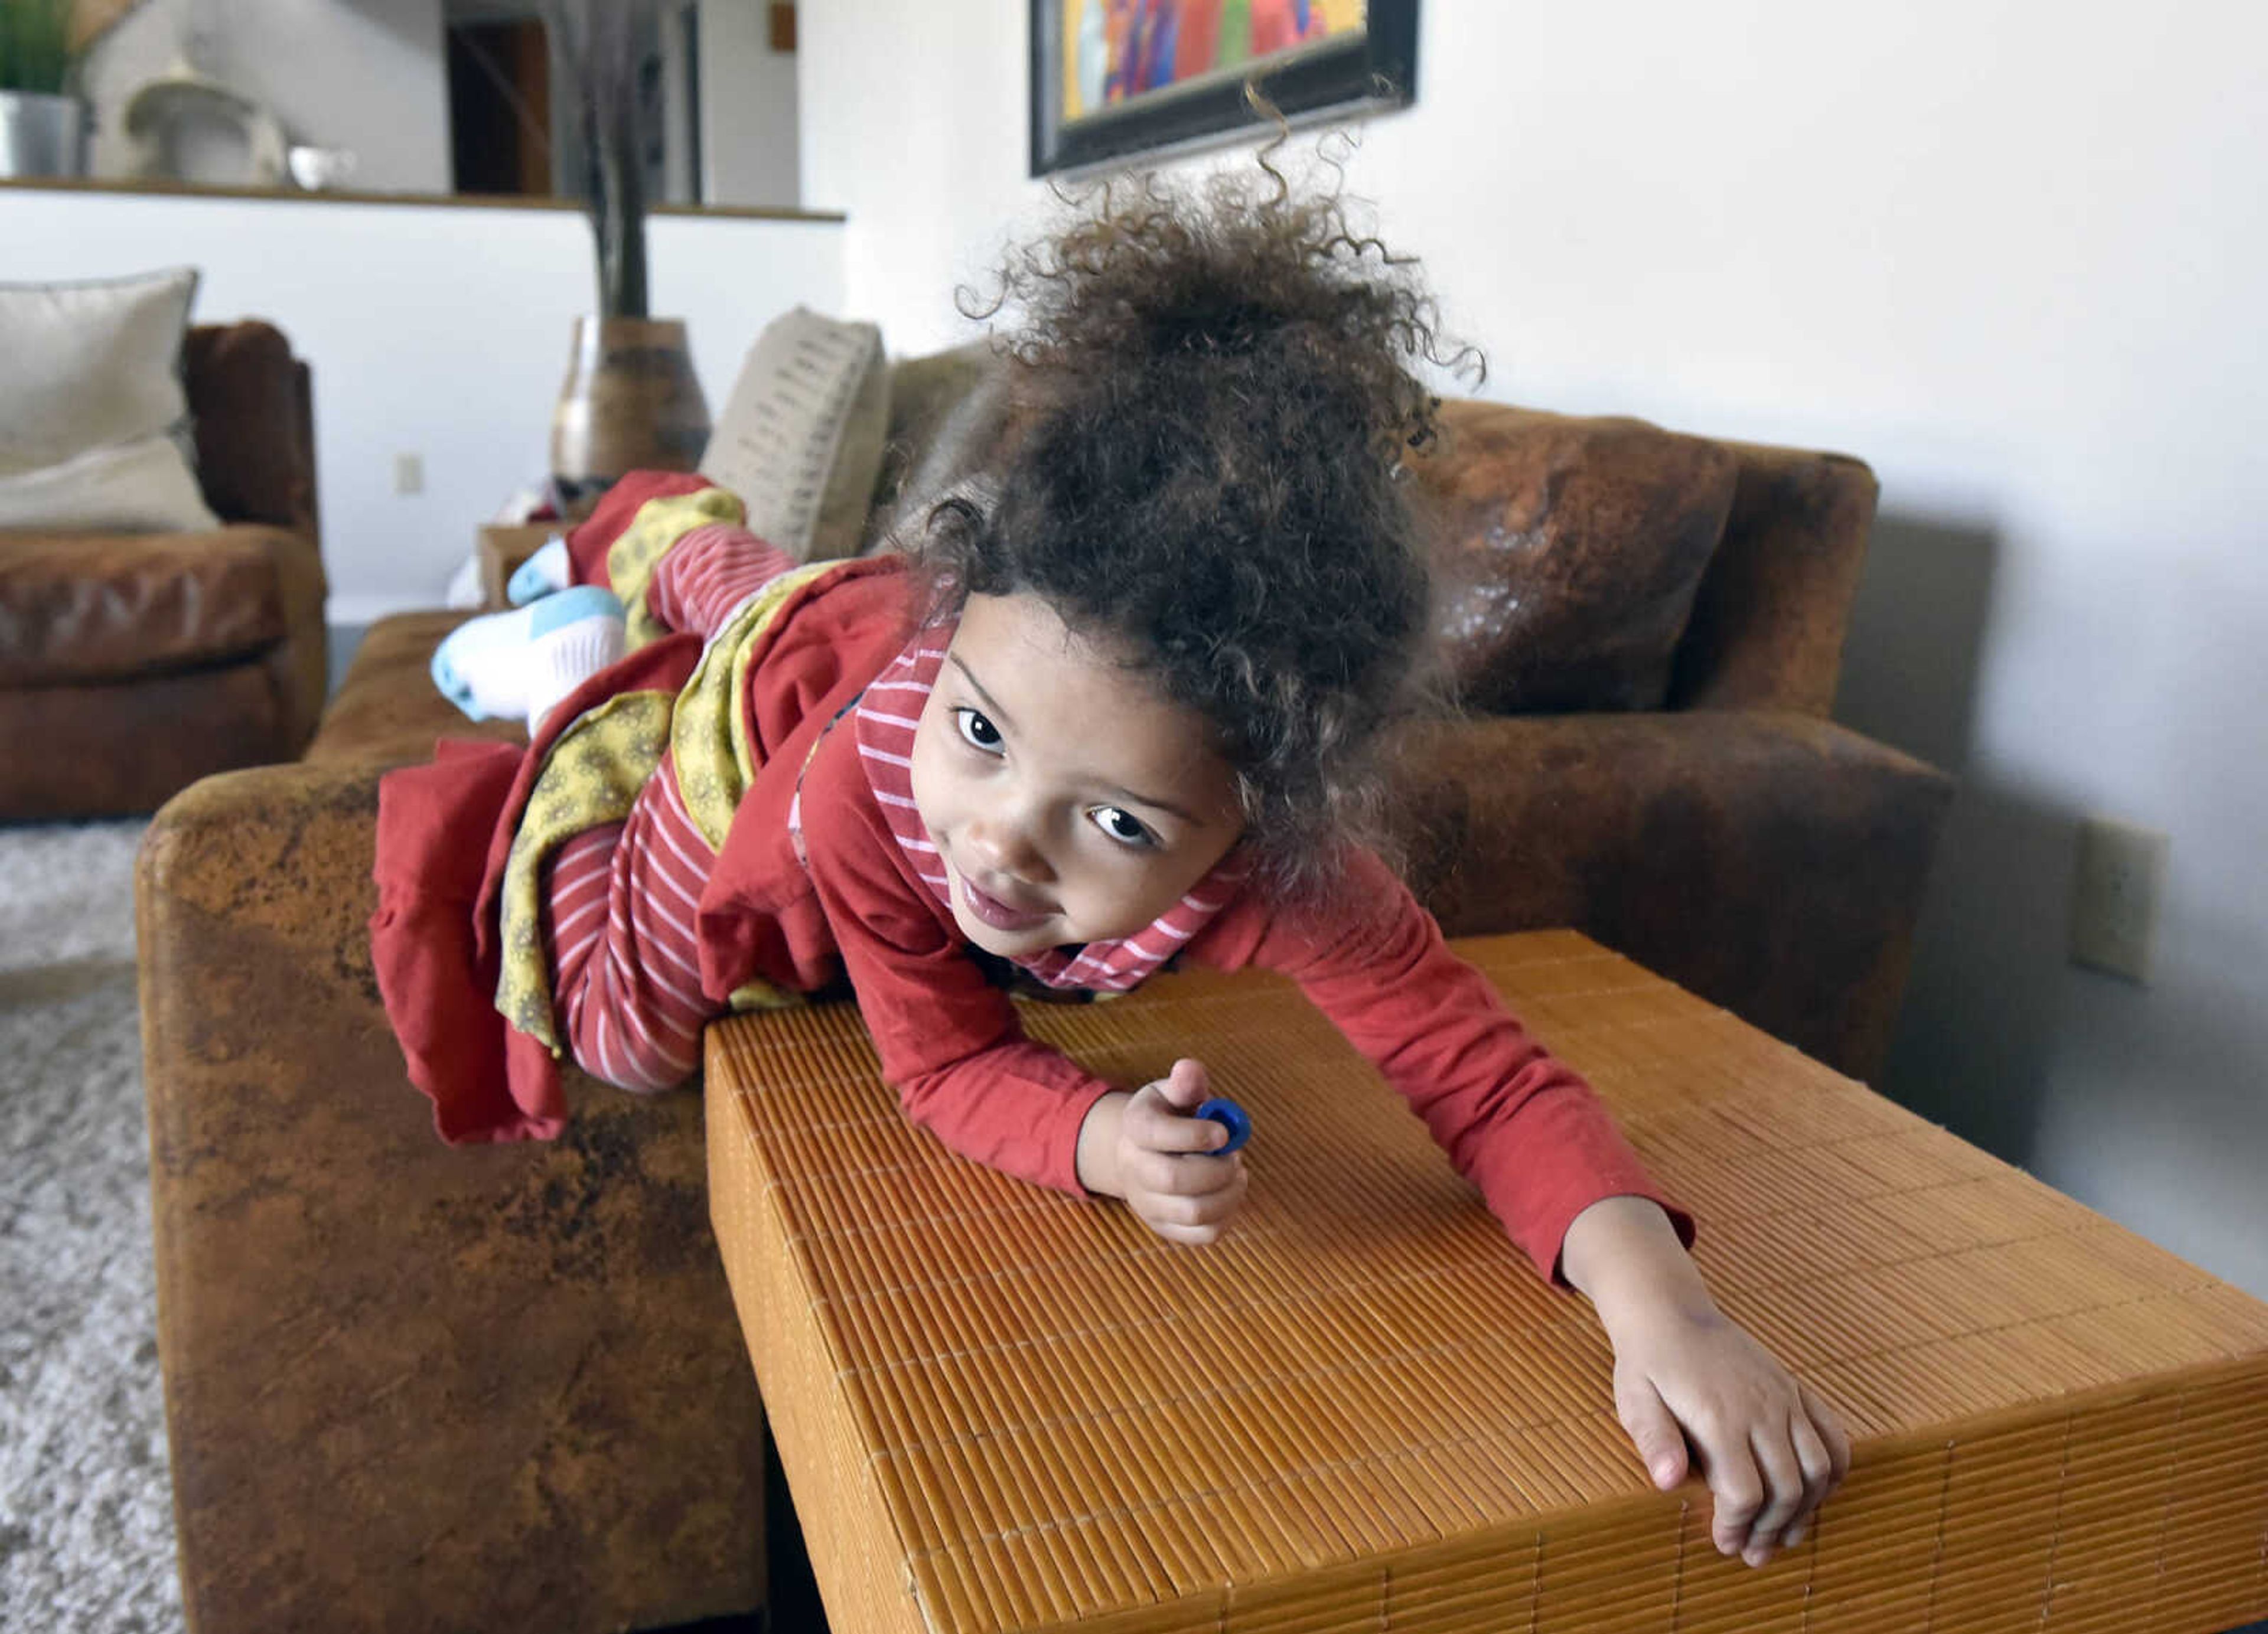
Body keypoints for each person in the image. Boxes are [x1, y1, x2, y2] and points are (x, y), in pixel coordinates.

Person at [373, 165, 1849, 1570]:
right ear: (967, 619)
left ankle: (687, 566)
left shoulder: (1294, 873)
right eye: (989, 734)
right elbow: (941, 1066)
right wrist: (1093, 1133)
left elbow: (1494, 1085)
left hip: (896, 648)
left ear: (1258, 824)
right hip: (800, 719)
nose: (1005, 840)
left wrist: (1669, 1313)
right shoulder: (897, 789)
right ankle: (596, 595)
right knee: (632, 1006)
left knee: (784, 598)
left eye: (1123, 823)